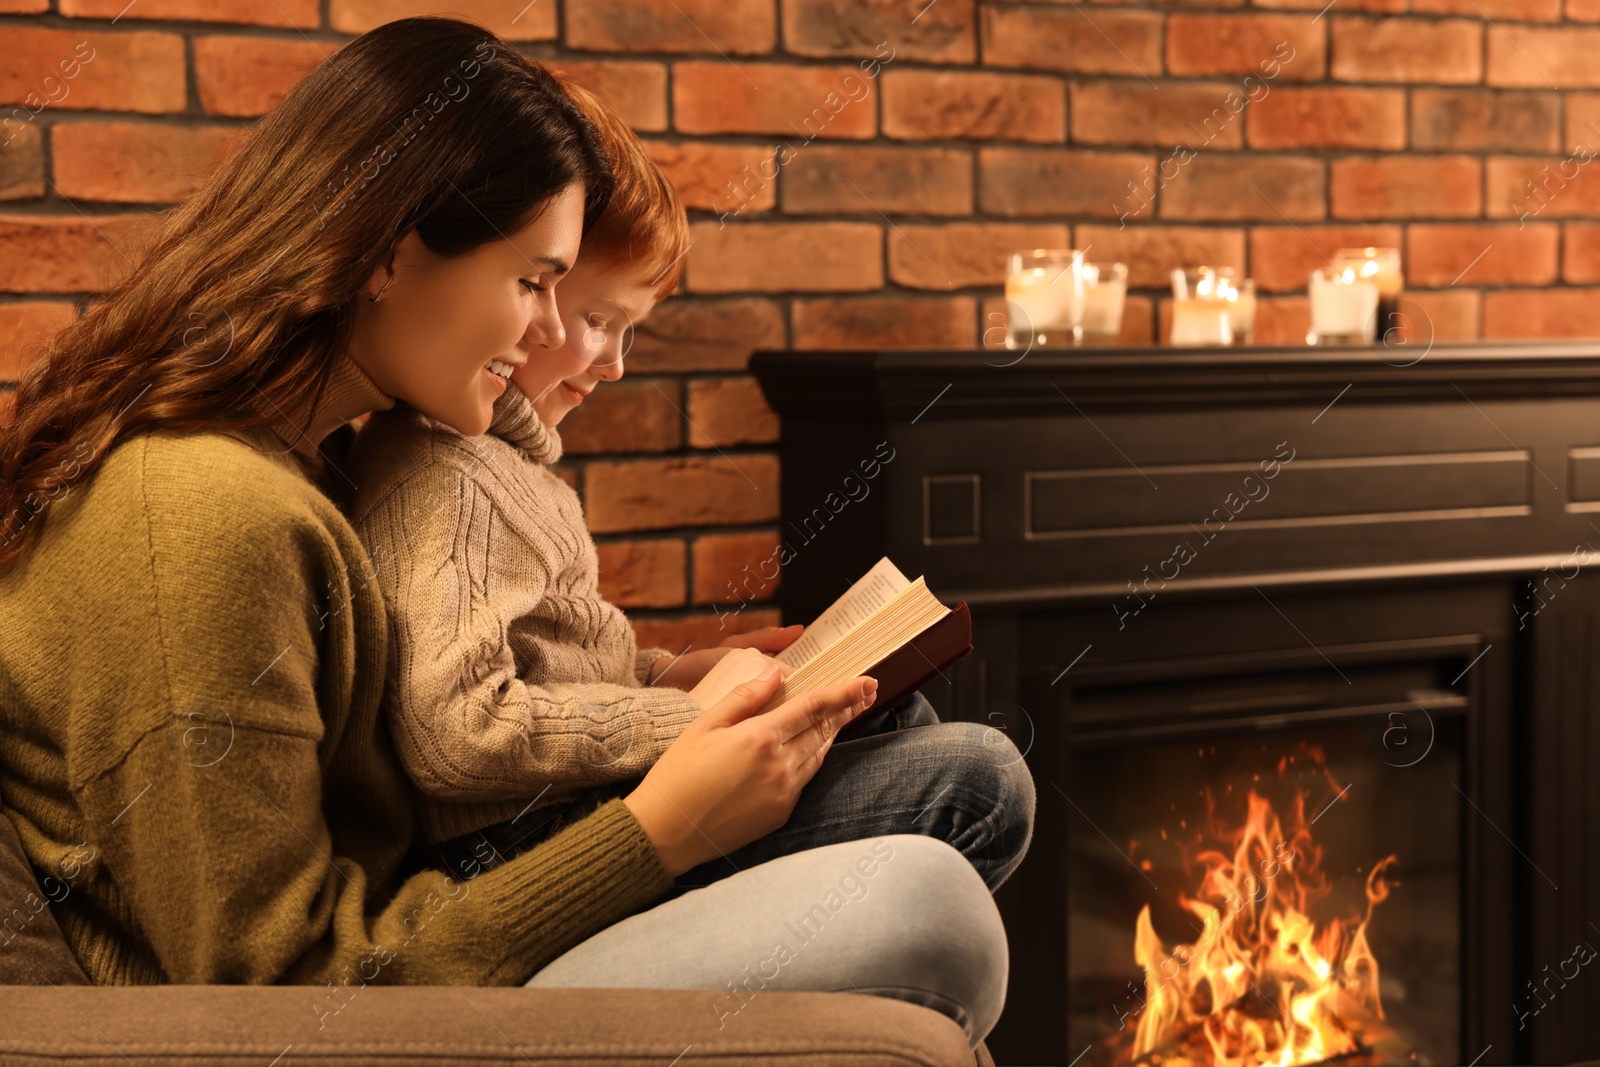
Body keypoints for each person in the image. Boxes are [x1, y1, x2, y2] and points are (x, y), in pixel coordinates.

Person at [0, 17, 1020, 1049]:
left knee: (921, 756)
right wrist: (661, 828)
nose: (548, 331)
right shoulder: (199, 517)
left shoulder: (299, 468)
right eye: (532, 281)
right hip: (368, 1004)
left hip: (428, 933)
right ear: (392, 257)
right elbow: (273, 983)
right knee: (933, 886)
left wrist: (660, 690)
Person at [341, 74, 1035, 899]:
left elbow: (542, 661)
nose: (614, 360)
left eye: (629, 330)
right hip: (531, 842)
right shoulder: (446, 475)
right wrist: (701, 717)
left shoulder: (502, 460)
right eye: (596, 318)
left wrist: (673, 674)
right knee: (980, 778)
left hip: (569, 803)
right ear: (532, 283)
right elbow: (459, 728)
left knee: (891, 713)